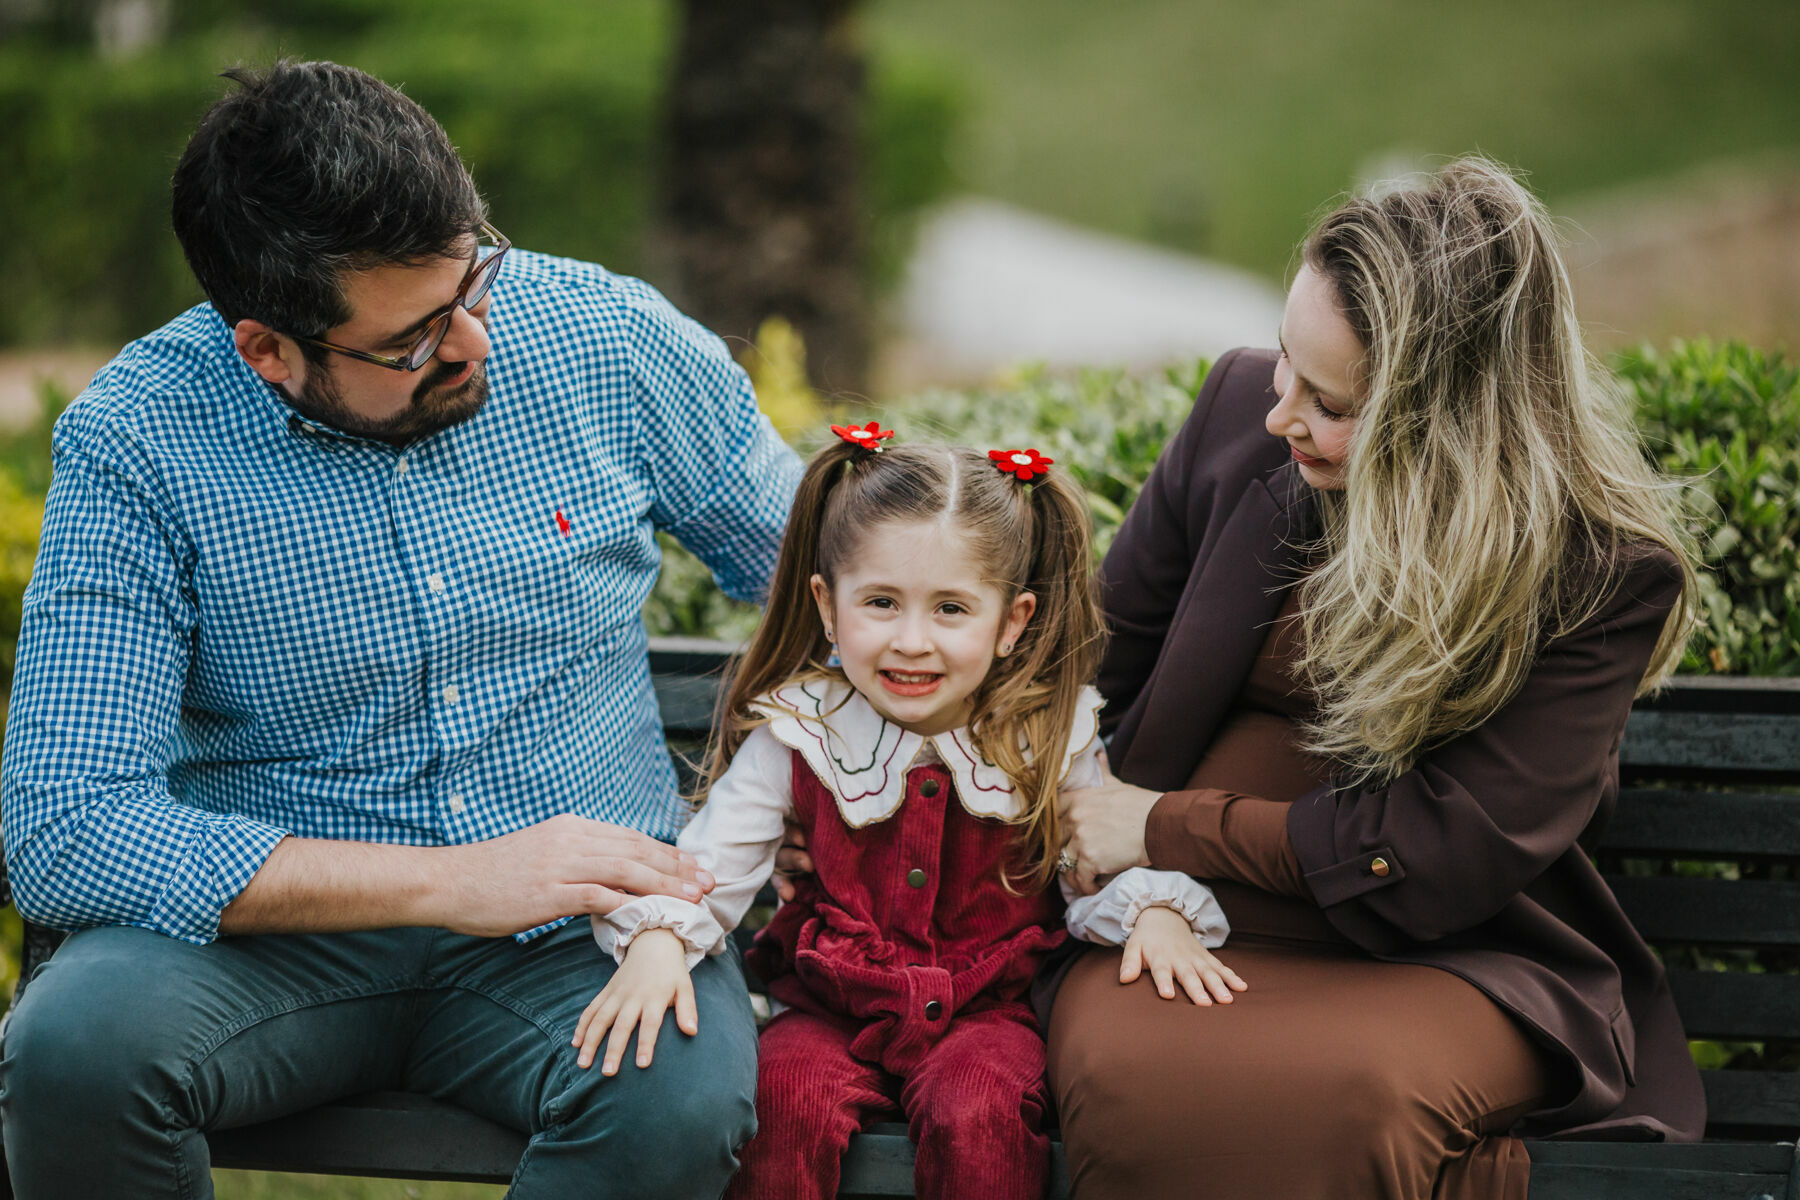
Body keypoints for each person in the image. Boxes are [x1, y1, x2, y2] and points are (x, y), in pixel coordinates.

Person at [0, 60, 800, 1199]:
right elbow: (69, 828)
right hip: (260, 948)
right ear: (268, 350)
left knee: (671, 1092)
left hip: (590, 937)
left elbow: (833, 571)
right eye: (414, 341)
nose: (475, 341)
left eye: (477, 280)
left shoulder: (607, 340)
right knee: (75, 1051)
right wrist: (447, 880)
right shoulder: (138, 443)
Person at [1043, 157, 1706, 1199]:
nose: (1279, 417)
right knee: (1135, 1077)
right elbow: (1081, 669)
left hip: (1447, 958)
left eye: (1330, 400)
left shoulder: (1596, 574)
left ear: (1446, 418)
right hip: (1171, 919)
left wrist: (1164, 821)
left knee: (1357, 1098)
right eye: (1284, 368)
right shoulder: (1232, 420)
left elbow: (1439, 855)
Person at [576, 428, 1242, 1200]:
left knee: (979, 1110)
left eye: (952, 608)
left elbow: (1098, 864)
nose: (912, 642)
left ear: (1012, 622)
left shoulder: (1044, 741)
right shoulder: (802, 733)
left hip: (987, 1013)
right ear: (829, 604)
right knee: (784, 1102)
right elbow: (710, 864)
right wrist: (659, 939)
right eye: (881, 602)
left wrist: (1152, 913)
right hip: (830, 1005)